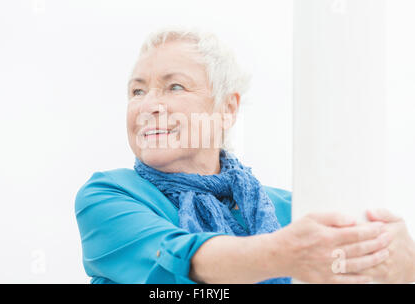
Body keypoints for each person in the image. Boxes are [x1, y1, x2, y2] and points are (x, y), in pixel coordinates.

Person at [75, 27, 415, 284]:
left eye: (174, 86)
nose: (148, 106)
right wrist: (284, 254)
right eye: (137, 91)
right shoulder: (108, 197)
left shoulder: (294, 212)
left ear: (227, 108)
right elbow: (183, 260)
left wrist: (400, 263)